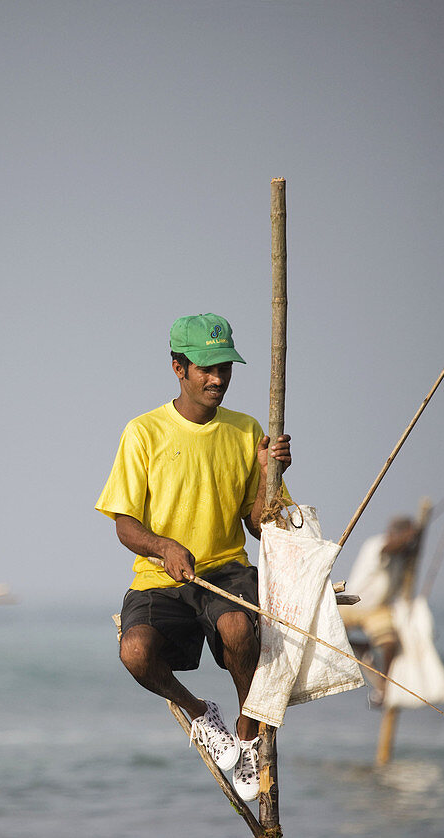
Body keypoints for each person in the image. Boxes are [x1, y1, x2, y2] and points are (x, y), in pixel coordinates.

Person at [95, 313, 292, 801]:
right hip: (161, 576)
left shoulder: (247, 432)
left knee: (239, 630)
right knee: (135, 653)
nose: (217, 379)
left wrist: (273, 476)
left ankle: (247, 736)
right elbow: (124, 524)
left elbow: (259, 524)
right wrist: (164, 546)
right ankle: (203, 714)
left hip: (226, 568)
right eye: (206, 368)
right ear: (178, 368)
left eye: (225, 368)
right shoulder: (143, 432)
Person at [339, 516, 420, 705]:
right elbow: (388, 548)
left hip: (377, 610)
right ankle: (358, 646)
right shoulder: (377, 545)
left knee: (389, 643)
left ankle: (384, 683)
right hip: (353, 603)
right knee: (324, 629)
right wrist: (406, 539)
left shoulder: (403, 558)